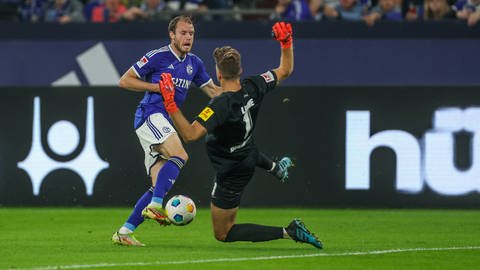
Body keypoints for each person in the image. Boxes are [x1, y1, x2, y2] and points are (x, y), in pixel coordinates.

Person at [157, 22, 323, 249]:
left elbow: (189, 134)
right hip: (246, 149)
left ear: (218, 73)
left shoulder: (219, 106)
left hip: (232, 169)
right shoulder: (254, 84)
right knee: (248, 149)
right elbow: (285, 70)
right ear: (240, 71)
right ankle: (275, 168)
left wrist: (169, 103)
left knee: (223, 233)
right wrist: (286, 43)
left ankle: (289, 231)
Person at [112, 15, 220, 247]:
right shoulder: (157, 56)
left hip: (163, 122)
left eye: (191, 33)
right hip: (150, 115)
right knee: (181, 155)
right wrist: (157, 87)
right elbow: (125, 81)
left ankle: (124, 232)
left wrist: (238, 93)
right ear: (172, 35)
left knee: (158, 184)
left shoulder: (195, 63)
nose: (188, 37)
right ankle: (155, 207)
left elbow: (213, 91)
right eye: (183, 33)